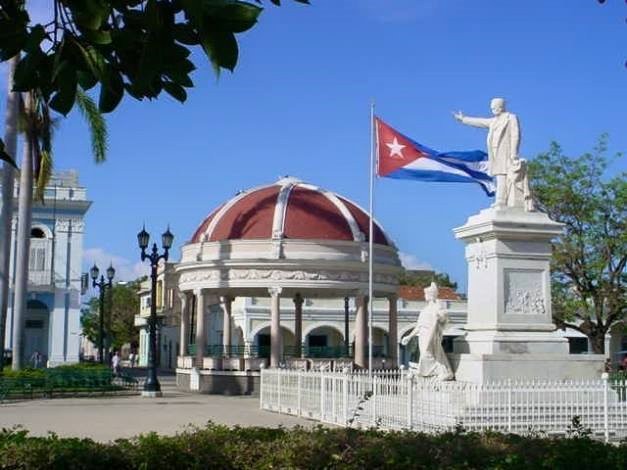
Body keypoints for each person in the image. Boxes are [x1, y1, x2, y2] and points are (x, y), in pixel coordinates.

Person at [454, 98, 526, 209]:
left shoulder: (510, 118)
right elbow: (479, 122)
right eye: (492, 108)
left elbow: (516, 135)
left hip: (506, 150)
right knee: (499, 175)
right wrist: (463, 119)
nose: (494, 110)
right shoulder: (493, 121)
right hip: (494, 152)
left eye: (495, 107)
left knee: (503, 175)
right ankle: (501, 200)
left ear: (501, 107)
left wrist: (514, 152)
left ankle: (502, 200)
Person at [401, 282, 454, 381]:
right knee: (427, 354)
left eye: (426, 294)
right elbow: (418, 326)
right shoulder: (424, 310)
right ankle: (437, 372)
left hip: (432, 334)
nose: (424, 296)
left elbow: (444, 318)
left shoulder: (437, 307)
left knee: (428, 354)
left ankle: (442, 371)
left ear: (431, 295)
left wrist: (439, 316)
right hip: (423, 335)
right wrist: (409, 337)